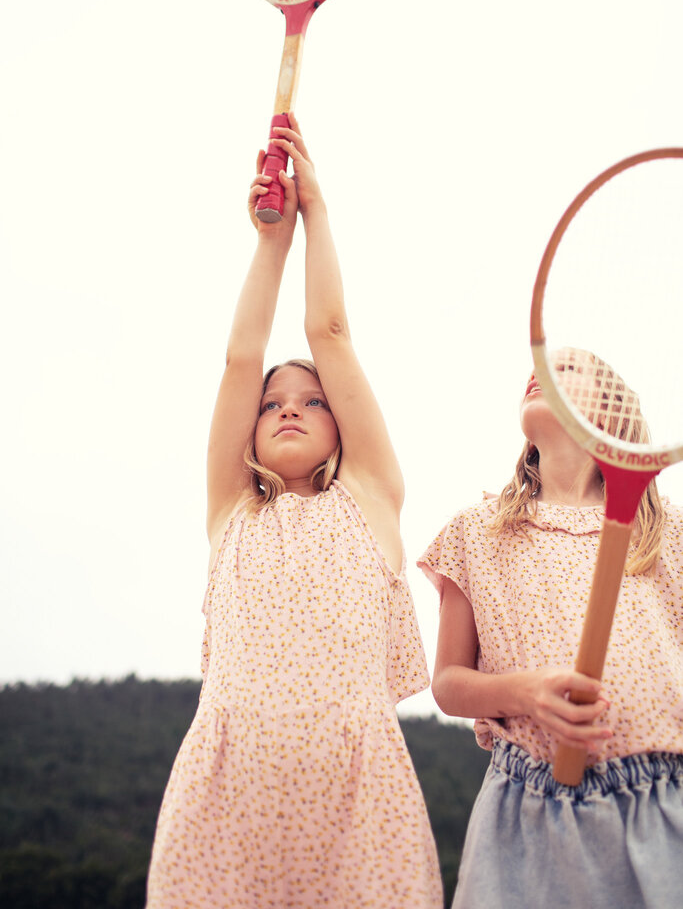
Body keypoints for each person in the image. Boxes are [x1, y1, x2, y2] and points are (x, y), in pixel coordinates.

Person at [146, 115, 442, 909]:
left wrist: (316, 212)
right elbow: (243, 357)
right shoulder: (231, 511)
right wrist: (268, 239)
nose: (287, 407)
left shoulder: (370, 499)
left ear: (342, 427)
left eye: (312, 401)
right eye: (273, 402)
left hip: (357, 796)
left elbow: (329, 332)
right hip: (227, 788)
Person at [419, 349, 683, 909]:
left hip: (664, 799)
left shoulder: (667, 538)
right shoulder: (479, 532)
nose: (542, 367)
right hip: (530, 800)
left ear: (610, 417)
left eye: (570, 368)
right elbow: (447, 682)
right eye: (540, 364)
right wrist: (526, 693)